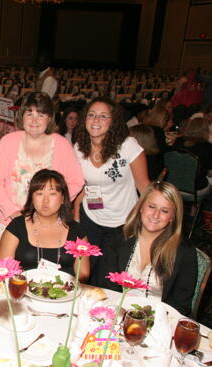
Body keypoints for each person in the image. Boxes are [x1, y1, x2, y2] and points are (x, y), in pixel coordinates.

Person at [73, 96, 149, 285]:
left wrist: (147, 223)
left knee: (109, 277)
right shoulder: (79, 148)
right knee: (85, 274)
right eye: (91, 115)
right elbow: (83, 186)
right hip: (91, 218)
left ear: (113, 121)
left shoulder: (127, 147)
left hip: (122, 223)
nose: (96, 120)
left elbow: (144, 187)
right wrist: (75, 213)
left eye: (103, 116)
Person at [0, 92, 84, 241]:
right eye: (29, 114)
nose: (34, 120)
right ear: (22, 116)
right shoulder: (7, 142)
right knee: (7, 264)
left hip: (49, 222)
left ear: (49, 118)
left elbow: (77, 181)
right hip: (11, 221)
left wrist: (55, 205)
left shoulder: (62, 144)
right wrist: (13, 213)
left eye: (41, 114)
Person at [98, 181, 197, 316]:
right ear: (141, 207)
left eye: (164, 211)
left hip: (158, 321)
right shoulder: (118, 237)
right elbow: (106, 286)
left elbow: (181, 305)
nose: (156, 215)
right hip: (116, 314)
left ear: (172, 217)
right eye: (152, 206)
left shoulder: (184, 251)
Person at [0, 169, 90, 281]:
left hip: (64, 293)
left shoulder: (76, 230)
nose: (45, 200)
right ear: (32, 197)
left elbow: (83, 273)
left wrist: (62, 288)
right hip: (24, 293)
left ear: (62, 199)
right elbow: (3, 270)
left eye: (52, 194)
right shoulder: (17, 226)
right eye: (39, 193)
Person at [172, 117, 212, 196]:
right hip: (195, 188)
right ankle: (195, 207)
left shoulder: (178, 141)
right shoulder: (208, 147)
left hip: (174, 184)